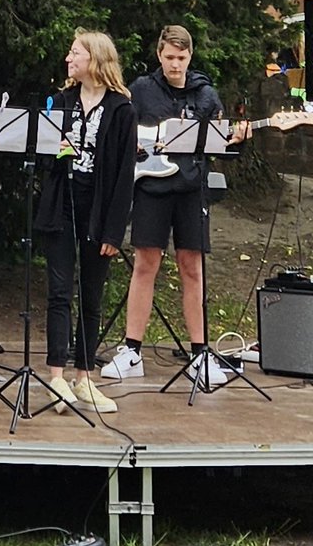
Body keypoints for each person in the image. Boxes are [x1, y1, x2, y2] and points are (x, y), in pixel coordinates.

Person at [100, 25, 249, 388]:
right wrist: (133, 147)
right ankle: (132, 348)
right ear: (159, 55)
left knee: (192, 267)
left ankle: (200, 352)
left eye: (181, 58)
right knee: (145, 264)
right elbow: (120, 131)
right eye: (169, 57)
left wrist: (239, 141)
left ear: (190, 57)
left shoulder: (206, 94)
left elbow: (221, 147)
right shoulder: (141, 90)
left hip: (190, 189)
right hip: (151, 186)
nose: (175, 64)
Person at [34, 30, 137, 414]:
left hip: (99, 207)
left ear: (94, 59)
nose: (68, 58)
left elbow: (125, 175)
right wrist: (54, 153)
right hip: (63, 203)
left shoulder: (121, 109)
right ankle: (56, 376)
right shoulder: (60, 102)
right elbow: (42, 159)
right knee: (59, 291)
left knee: (91, 296)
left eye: (74, 53)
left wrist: (115, 230)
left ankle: (85, 376)